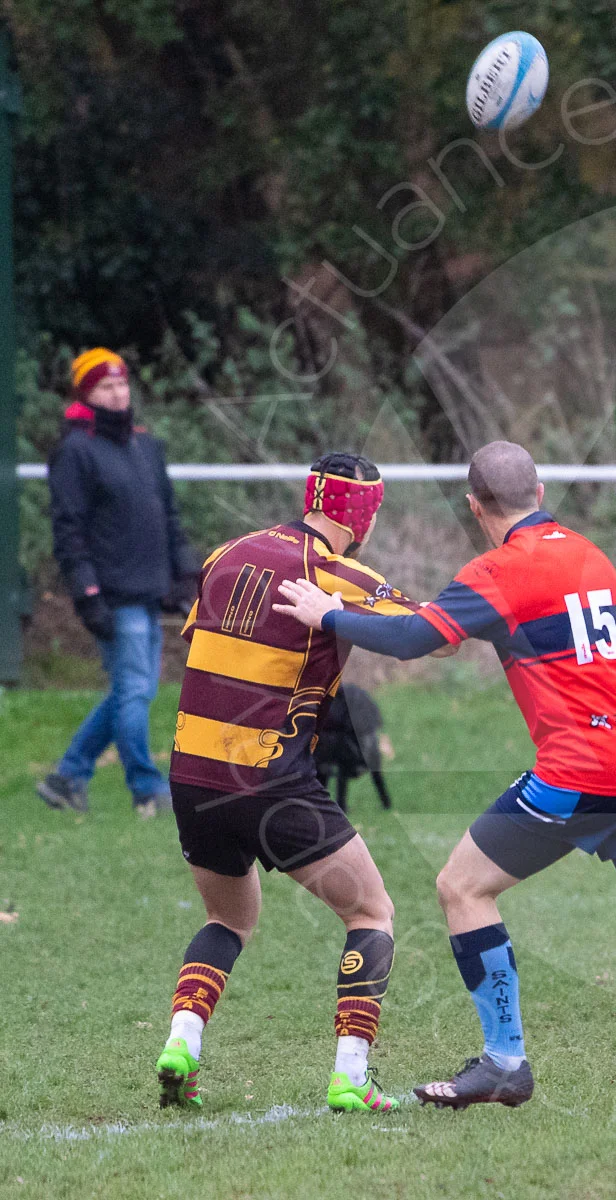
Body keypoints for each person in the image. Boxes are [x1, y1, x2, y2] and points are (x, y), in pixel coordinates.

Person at [273, 440, 616, 1116]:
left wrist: (328, 614)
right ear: (539, 494)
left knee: (461, 887)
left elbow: (416, 640)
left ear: (475, 506)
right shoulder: (592, 555)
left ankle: (505, 1062)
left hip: (580, 768)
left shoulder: (497, 570)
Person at [155, 452, 429, 1115]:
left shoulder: (225, 554)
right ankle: (351, 1076)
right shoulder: (337, 573)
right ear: (363, 516)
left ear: (310, 498)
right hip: (269, 780)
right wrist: (337, 619)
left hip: (192, 774)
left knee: (228, 918)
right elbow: (432, 636)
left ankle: (182, 1043)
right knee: (371, 912)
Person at [37, 349, 198, 818]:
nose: (118, 393)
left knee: (133, 690)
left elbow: (168, 515)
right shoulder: (75, 451)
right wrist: (87, 592)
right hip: (112, 594)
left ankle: (68, 777)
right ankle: (147, 789)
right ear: (86, 393)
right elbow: (68, 531)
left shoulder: (145, 446)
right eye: (106, 386)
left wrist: (185, 573)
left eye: (122, 384)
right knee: (134, 691)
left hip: (149, 591)